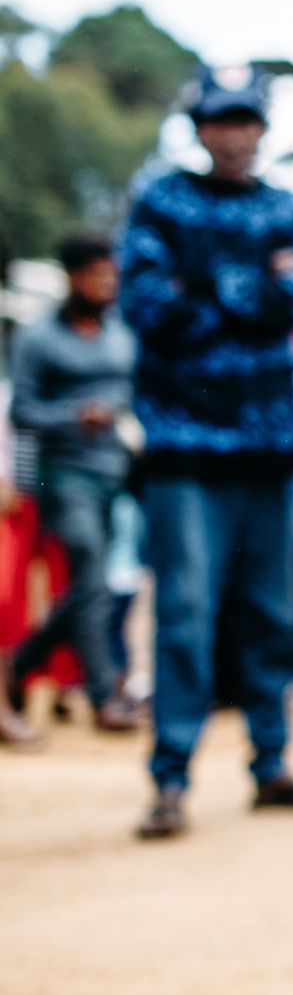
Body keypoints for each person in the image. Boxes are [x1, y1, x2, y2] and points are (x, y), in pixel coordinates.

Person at [121, 66, 293, 835]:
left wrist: (205, 284)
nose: (234, 132)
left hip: (271, 446)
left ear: (263, 129)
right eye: (220, 119)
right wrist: (251, 288)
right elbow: (148, 306)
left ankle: (271, 762)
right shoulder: (160, 198)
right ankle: (170, 776)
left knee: (272, 610)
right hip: (183, 447)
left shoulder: (285, 206)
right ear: (198, 126)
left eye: (247, 118)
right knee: (184, 613)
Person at [9, 230, 141, 736]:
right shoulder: (38, 337)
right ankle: (103, 694)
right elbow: (22, 410)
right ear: (73, 276)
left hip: (115, 471)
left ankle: (20, 666)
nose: (107, 283)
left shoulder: (122, 333)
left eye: (112, 274)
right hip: (62, 473)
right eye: (97, 274)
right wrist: (73, 415)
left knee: (94, 584)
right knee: (89, 568)